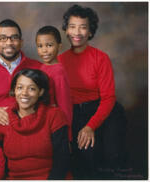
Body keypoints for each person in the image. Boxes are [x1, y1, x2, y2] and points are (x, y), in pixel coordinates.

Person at [58, 4, 127, 179]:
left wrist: (90, 126)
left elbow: (108, 98)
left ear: (90, 31)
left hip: (100, 110)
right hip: (72, 112)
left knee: (108, 157)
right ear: (66, 30)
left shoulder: (101, 58)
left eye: (83, 27)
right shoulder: (59, 60)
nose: (77, 32)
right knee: (79, 158)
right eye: (72, 26)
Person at [0, 69, 70, 179]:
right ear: (14, 90)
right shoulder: (3, 118)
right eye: (20, 88)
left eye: (31, 89)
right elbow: (0, 162)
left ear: (41, 92)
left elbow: (62, 159)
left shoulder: (54, 115)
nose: (24, 93)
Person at [36, 25, 73, 140]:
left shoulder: (58, 72)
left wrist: (66, 134)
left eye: (49, 45)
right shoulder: (41, 68)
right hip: (41, 122)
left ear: (59, 46)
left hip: (55, 126)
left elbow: (65, 105)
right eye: (40, 46)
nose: (44, 50)